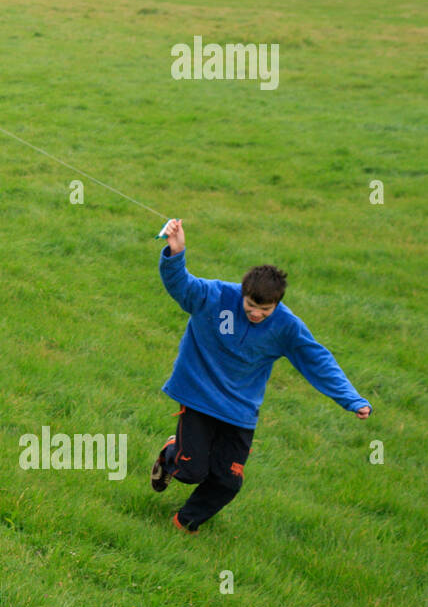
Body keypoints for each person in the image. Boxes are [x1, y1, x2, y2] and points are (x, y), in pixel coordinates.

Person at [150, 219, 371, 533]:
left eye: (264, 311)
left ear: (276, 305)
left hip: (240, 412)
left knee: (229, 481)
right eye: (251, 306)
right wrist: (176, 253)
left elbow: (318, 361)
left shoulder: (286, 326)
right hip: (199, 396)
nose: (255, 315)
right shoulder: (214, 296)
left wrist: (352, 399)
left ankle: (184, 524)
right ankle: (172, 452)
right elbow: (180, 285)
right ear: (243, 293)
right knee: (190, 470)